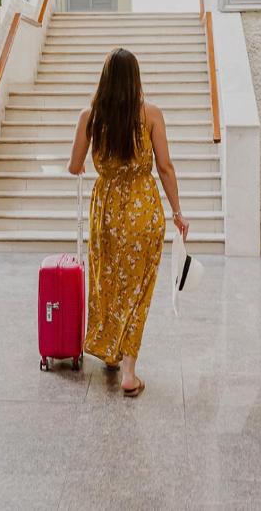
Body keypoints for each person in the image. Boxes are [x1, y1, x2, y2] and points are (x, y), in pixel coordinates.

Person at [67, 47, 190, 398]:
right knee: (137, 288)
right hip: (143, 208)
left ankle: (110, 350)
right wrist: (178, 212)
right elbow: (165, 167)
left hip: (106, 209)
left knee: (107, 279)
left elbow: (74, 166)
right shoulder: (151, 115)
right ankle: (129, 372)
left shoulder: (89, 116)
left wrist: (99, 160)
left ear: (104, 79)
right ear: (136, 78)